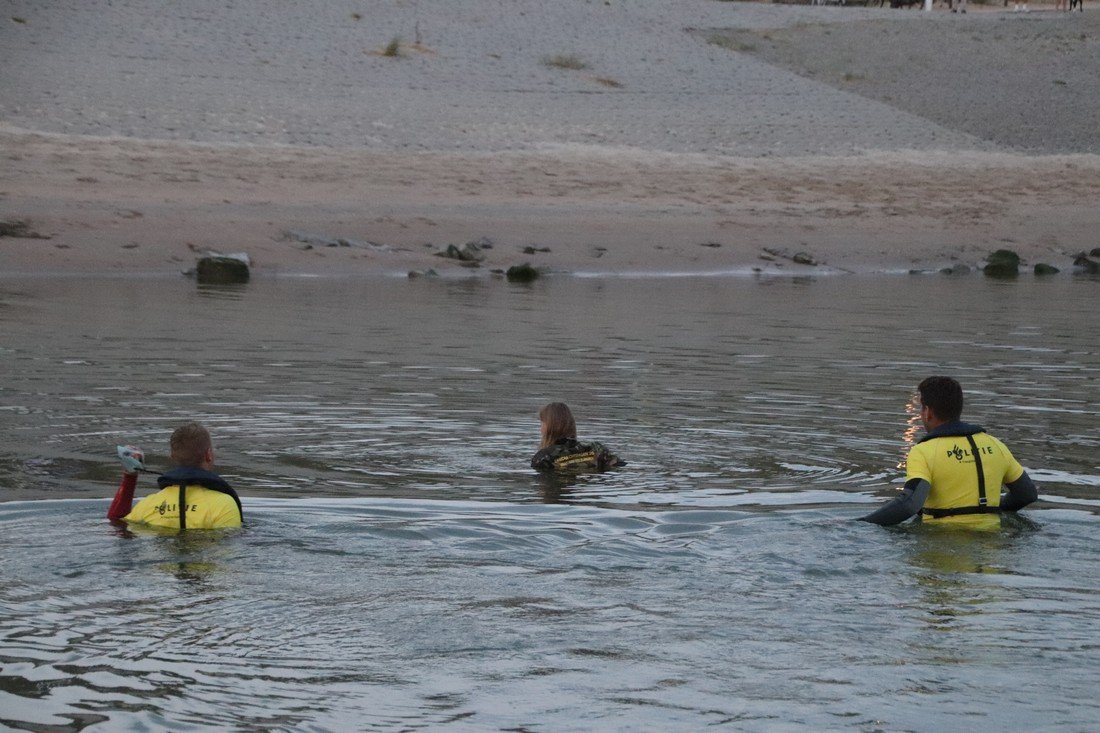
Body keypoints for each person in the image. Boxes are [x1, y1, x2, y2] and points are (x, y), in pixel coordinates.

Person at [861, 376, 1037, 526]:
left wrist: (860, 524)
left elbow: (909, 504)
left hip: (941, 547)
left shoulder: (923, 451)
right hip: (992, 550)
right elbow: (1027, 494)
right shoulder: (996, 445)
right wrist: (991, 509)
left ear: (928, 412)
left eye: (921, 408)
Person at [107, 422, 243, 529]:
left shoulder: (148, 505)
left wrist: (130, 476)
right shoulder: (224, 505)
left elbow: (117, 525)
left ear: (172, 457)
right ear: (208, 455)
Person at [530, 402, 625, 472]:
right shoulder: (596, 449)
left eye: (542, 424)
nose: (541, 429)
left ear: (550, 428)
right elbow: (620, 466)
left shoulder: (543, 458)